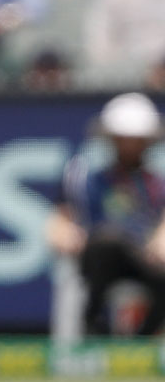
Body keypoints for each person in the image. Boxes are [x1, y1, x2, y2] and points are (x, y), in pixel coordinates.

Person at [47, 92, 165, 335]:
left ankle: (144, 337)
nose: (129, 145)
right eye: (123, 138)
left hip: (143, 258)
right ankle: (92, 322)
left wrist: (159, 242)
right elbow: (61, 220)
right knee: (108, 244)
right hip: (96, 256)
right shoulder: (85, 176)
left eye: (136, 139)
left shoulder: (158, 181)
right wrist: (65, 235)